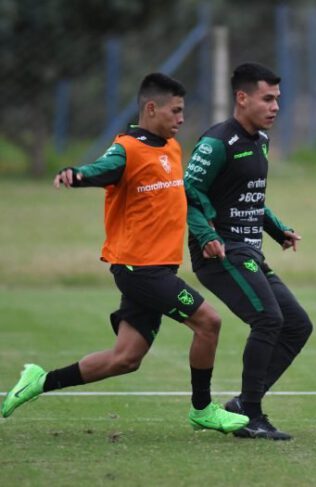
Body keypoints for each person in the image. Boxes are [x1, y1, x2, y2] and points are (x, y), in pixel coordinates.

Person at [1, 73, 249, 435]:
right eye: (176, 111)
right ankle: (202, 409)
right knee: (208, 322)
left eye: (184, 111)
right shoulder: (127, 149)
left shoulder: (171, 148)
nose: (181, 119)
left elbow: (183, 196)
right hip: (141, 270)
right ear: (151, 108)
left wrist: (207, 231)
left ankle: (39, 381)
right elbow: (102, 169)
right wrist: (77, 174)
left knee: (125, 359)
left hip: (155, 268)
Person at [184, 62, 313, 441]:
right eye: (267, 98)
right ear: (242, 98)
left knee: (297, 325)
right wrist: (206, 235)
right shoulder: (216, 143)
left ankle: (243, 404)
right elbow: (186, 195)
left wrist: (276, 229)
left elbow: (250, 198)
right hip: (220, 253)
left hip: (248, 252)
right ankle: (251, 415)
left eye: (278, 99)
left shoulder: (261, 141)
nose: (275, 107)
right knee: (269, 320)